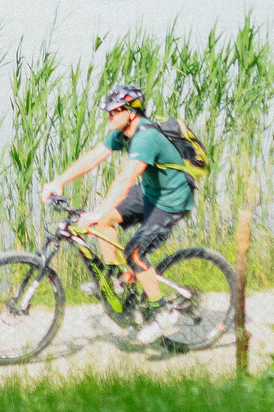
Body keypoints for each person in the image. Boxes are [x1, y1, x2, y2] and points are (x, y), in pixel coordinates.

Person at [40, 81, 197, 343]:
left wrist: (96, 211)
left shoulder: (146, 137)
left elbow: (124, 180)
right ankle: (116, 279)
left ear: (131, 112)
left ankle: (162, 312)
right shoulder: (122, 133)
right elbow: (92, 157)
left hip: (172, 199)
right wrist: (59, 181)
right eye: (108, 111)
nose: (109, 116)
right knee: (104, 222)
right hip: (149, 192)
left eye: (114, 111)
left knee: (134, 252)